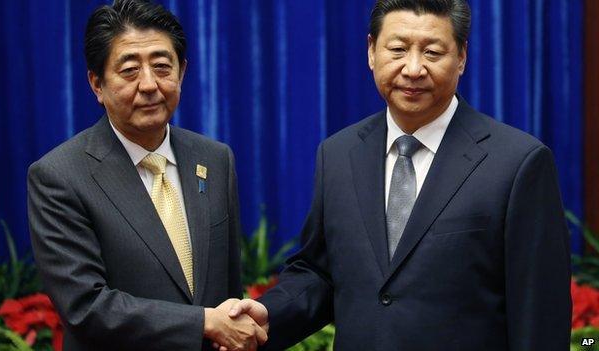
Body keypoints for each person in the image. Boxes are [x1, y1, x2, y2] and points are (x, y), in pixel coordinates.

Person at [228, 0, 571, 350]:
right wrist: (268, 315)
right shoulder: (338, 154)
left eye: (433, 52)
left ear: (462, 57)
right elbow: (322, 272)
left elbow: (540, 312)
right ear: (371, 52)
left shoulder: (517, 162)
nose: (413, 68)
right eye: (398, 49)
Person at [27, 0, 266, 350]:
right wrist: (202, 323)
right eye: (129, 71)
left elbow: (228, 290)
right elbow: (86, 307)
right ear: (97, 84)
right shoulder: (59, 176)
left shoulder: (215, 160)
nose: (150, 84)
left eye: (162, 66)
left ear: (181, 72)